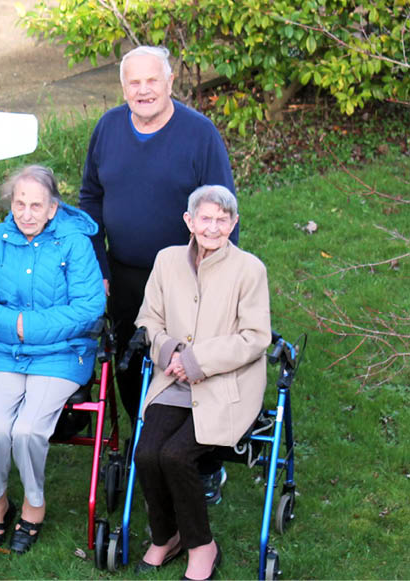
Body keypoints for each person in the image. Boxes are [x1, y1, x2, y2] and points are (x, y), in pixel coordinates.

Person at [78, 45, 236, 503]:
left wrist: (219, 277)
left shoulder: (199, 135)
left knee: (189, 367)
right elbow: (90, 198)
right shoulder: (108, 128)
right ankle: (145, 442)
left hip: (188, 277)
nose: (143, 90)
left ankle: (201, 462)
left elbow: (224, 210)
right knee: (129, 363)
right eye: (134, 82)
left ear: (169, 83)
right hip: (125, 274)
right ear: (123, 87)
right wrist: (98, 264)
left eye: (152, 80)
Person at [0, 165, 105, 554]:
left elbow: (91, 306)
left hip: (60, 355)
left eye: (36, 205)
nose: (26, 213)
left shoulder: (74, 243)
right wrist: (13, 324)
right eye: (19, 203)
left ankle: (34, 505)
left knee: (27, 431)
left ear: (53, 207)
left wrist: (32, 327)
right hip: (3, 353)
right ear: (11, 203)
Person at [133, 185, 270, 580]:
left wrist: (196, 360)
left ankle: (202, 546)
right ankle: (166, 536)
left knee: (176, 455)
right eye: (205, 219)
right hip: (172, 380)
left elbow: (255, 337)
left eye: (222, 219)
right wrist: (171, 353)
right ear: (189, 222)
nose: (213, 227)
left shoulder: (249, 270)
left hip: (225, 386)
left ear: (234, 223)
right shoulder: (167, 261)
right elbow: (148, 320)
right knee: (146, 453)